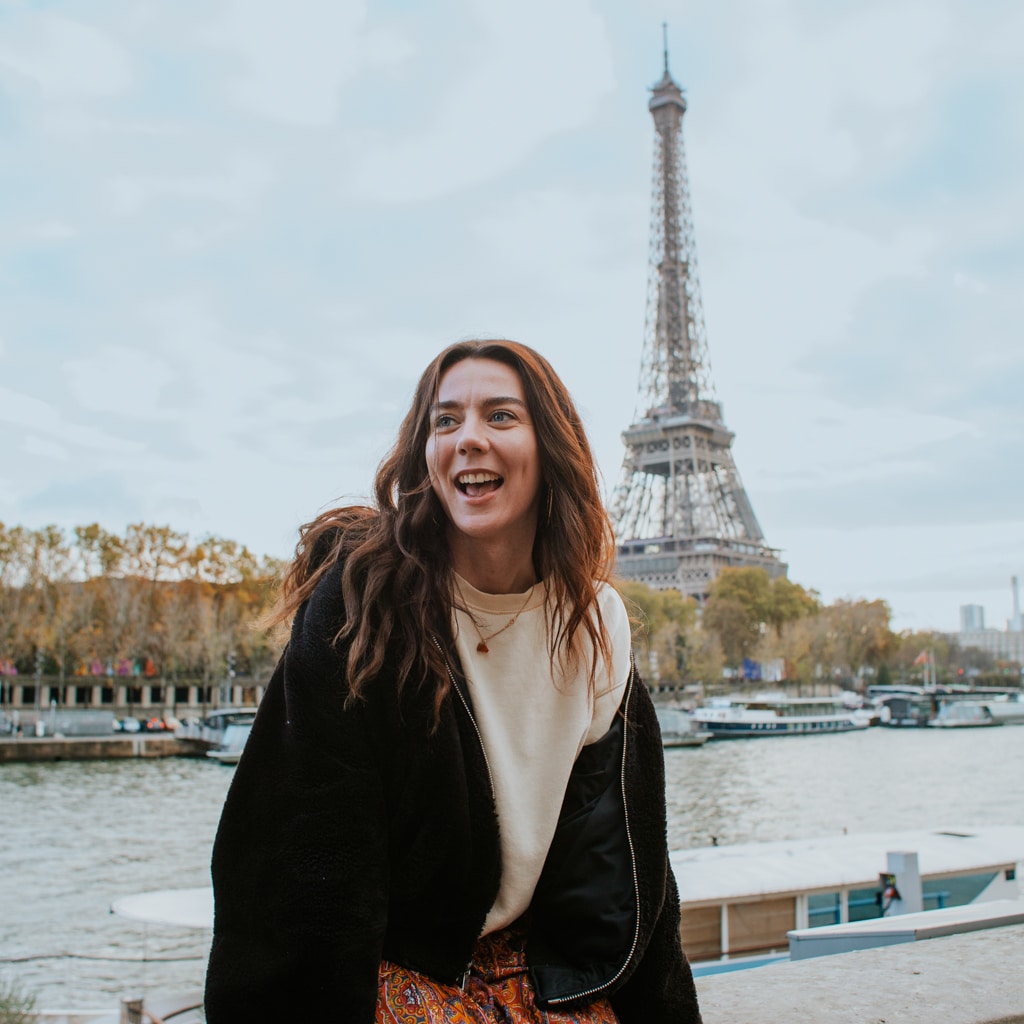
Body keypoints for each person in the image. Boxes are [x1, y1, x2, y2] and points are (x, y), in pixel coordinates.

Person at [204, 339, 702, 1024]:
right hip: (398, 963)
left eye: (500, 416)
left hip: (546, 970)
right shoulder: (366, 606)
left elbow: (632, 868)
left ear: (549, 445)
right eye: (445, 421)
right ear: (425, 455)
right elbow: (300, 862)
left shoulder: (596, 624)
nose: (469, 438)